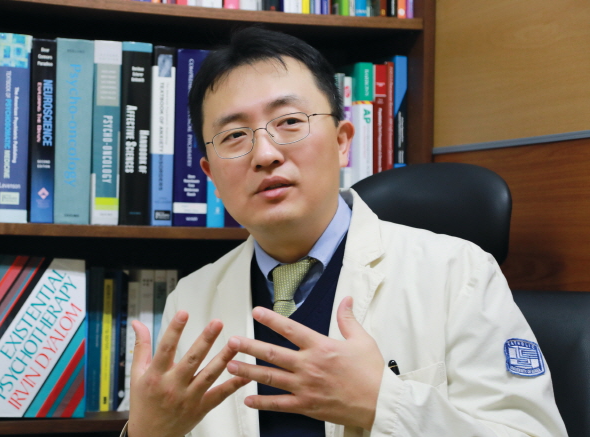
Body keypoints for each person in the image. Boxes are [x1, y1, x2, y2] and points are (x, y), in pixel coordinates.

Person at [123, 28, 567, 437]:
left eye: (290, 122)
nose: (265, 153)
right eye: (234, 135)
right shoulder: (191, 299)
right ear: (210, 176)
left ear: (342, 141)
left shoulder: (459, 272)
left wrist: (383, 404)